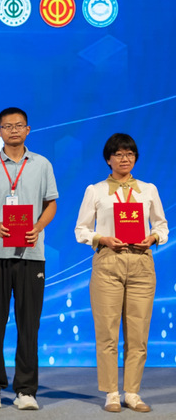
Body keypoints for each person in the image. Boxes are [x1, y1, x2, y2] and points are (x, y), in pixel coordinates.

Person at [0, 107, 58, 410]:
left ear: (28, 130)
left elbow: (51, 204)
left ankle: (26, 389)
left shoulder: (42, 164)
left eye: (19, 125)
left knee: (29, 324)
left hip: (32, 254)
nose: (14, 130)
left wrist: (38, 227)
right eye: (8, 126)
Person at [74, 133, 167, 413]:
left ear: (135, 158)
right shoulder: (96, 190)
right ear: (108, 159)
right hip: (108, 262)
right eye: (118, 154)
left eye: (130, 154)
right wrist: (102, 238)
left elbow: (161, 225)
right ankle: (112, 393)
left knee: (138, 333)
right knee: (107, 332)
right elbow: (81, 229)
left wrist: (152, 238)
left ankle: (132, 393)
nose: (124, 159)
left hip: (141, 263)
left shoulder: (148, 190)